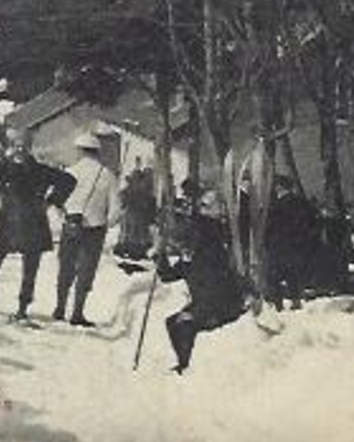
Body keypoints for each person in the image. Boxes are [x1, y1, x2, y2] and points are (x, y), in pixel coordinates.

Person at [0, 129, 75, 323]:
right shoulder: (3, 170)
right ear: (11, 146)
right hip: (9, 224)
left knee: (30, 269)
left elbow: (68, 181)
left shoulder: (40, 170)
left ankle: (22, 310)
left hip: (32, 225)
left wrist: (51, 201)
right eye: (17, 145)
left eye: (24, 145)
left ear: (30, 147)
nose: (20, 149)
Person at [158, 214, 249, 373]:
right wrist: (160, 257)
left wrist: (193, 314)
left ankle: (185, 366)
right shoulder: (190, 259)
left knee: (184, 323)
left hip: (223, 307)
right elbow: (167, 276)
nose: (182, 249)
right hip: (204, 304)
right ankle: (183, 361)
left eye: (184, 244)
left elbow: (215, 293)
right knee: (172, 322)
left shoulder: (210, 259)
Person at [53, 130, 119, 327]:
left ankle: (59, 308)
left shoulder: (69, 172)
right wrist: (107, 223)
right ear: (97, 152)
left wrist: (65, 218)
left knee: (66, 266)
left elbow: (56, 200)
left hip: (71, 225)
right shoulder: (107, 175)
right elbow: (116, 208)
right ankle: (77, 312)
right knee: (86, 269)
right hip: (94, 229)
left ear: (80, 150)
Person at [265, 174, 316, 310]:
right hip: (297, 246)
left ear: (279, 188)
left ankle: (278, 304)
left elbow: (269, 226)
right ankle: (295, 300)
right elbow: (312, 223)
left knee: (273, 276)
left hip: (278, 246)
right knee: (293, 274)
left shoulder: (275, 206)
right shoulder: (302, 203)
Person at [114, 159, 157, 261]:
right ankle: (133, 249)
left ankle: (132, 249)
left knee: (134, 232)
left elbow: (122, 198)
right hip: (137, 214)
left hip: (136, 214)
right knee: (135, 232)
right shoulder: (141, 188)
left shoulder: (135, 188)